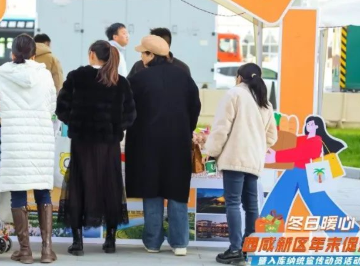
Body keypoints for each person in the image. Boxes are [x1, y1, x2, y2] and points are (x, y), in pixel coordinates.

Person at [0, 34, 57, 264]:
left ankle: (25, 251)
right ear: (34, 55)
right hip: (41, 138)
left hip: (15, 139)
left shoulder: (1, 74)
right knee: (43, 191)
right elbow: (52, 104)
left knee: (18, 192)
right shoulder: (44, 74)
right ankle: (47, 251)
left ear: (12, 54)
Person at [56, 40, 136, 256]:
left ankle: (77, 242)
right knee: (110, 186)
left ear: (91, 54)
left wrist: (76, 123)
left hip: (81, 143)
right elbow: (130, 115)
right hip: (109, 145)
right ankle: (110, 241)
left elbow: (61, 109)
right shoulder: (119, 81)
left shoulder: (76, 77)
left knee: (79, 186)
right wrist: (114, 127)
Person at [125, 35, 201, 256]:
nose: (141, 57)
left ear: (151, 55)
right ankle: (180, 243)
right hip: (178, 141)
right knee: (177, 189)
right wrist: (186, 128)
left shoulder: (139, 79)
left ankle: (153, 242)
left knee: (152, 190)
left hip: (146, 143)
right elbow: (195, 107)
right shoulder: (184, 76)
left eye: (143, 53)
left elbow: (128, 111)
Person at [204, 63, 278, 264]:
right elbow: (272, 136)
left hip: (234, 159)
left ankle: (235, 249)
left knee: (233, 203)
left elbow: (221, 129)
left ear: (239, 77)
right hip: (253, 160)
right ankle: (249, 248)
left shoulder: (234, 94)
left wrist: (211, 152)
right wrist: (257, 147)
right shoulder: (265, 102)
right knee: (251, 205)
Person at [262, 115, 358, 233]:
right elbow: (290, 147)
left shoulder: (317, 140)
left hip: (306, 174)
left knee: (317, 202)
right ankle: (268, 227)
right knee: (281, 196)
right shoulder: (302, 138)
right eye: (307, 124)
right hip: (294, 171)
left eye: (311, 124)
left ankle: (345, 229)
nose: (308, 126)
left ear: (317, 126)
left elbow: (300, 153)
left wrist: (276, 157)